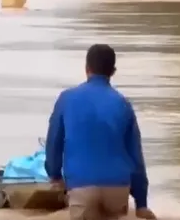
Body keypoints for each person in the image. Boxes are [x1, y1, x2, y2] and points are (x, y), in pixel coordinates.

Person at [45, 44, 156, 220]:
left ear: (86, 68)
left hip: (82, 186)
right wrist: (141, 203)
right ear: (113, 71)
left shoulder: (66, 99)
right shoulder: (123, 104)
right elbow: (136, 157)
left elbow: (53, 143)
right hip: (117, 188)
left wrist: (55, 175)